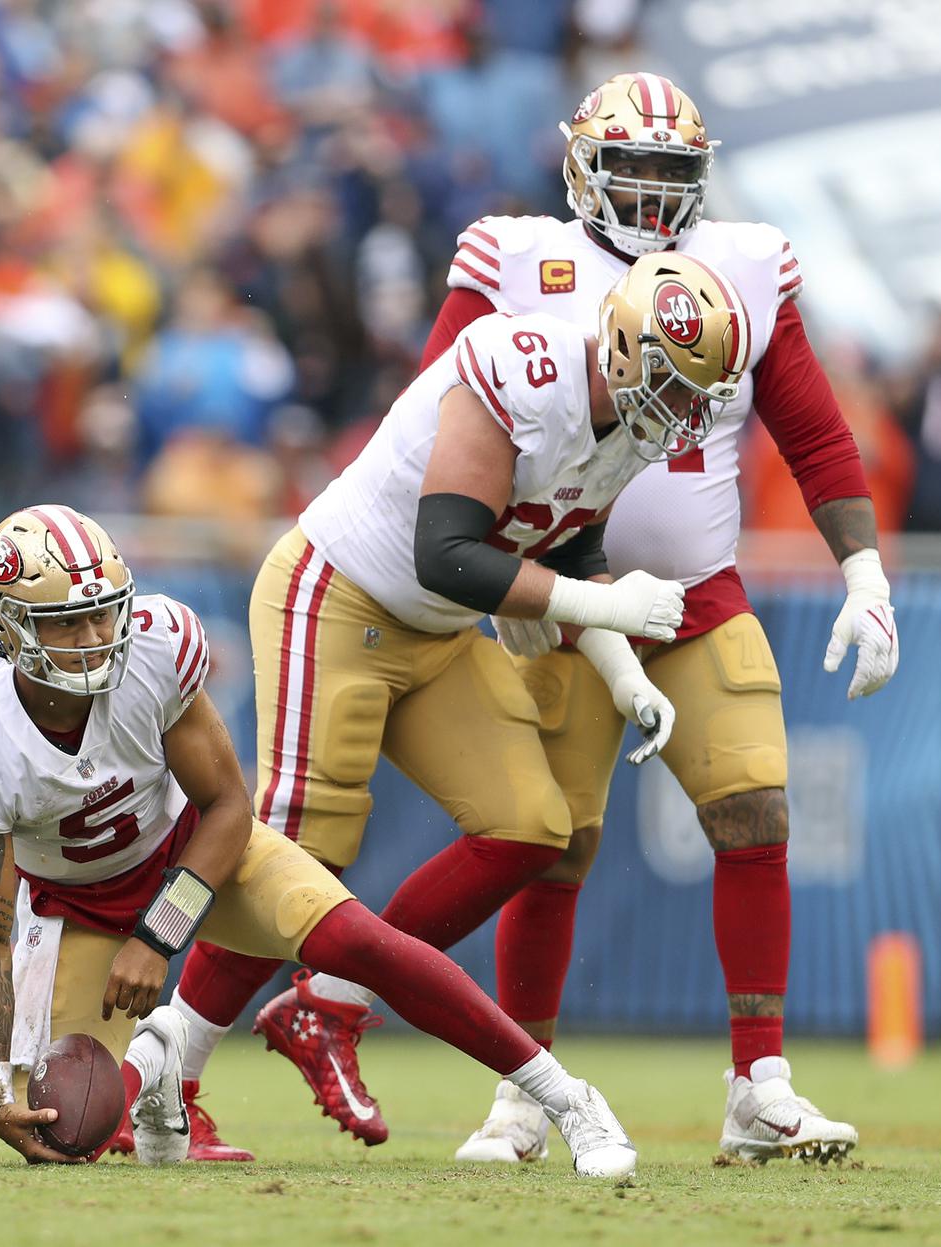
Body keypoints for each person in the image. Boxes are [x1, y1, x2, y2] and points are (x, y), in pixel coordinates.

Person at [169, 247, 745, 1159]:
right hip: (343, 594)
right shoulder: (524, 369)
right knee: (294, 851)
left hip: (434, 633)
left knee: (530, 824)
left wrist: (623, 670)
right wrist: (602, 608)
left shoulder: (630, 424)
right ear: (626, 350)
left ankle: (329, 1004)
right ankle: (166, 1080)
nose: (685, 412)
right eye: (676, 383)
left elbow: (570, 544)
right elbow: (447, 550)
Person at [414, 71, 877, 1166]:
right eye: (636, 170)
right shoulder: (515, 253)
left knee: (755, 809)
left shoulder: (751, 262)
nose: (658, 194)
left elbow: (813, 431)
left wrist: (864, 569)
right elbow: (430, 420)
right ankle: (523, 1090)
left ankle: (758, 1084)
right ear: (582, 167)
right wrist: (483, 571)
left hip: (699, 593)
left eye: (677, 173)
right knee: (551, 845)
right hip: (564, 599)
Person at [0, 505, 640, 1178]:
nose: (96, 639)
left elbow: (228, 803)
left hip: (194, 855)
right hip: (73, 907)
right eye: (68, 625)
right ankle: (158, 1062)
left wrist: (159, 934)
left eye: (104, 615)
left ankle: (568, 1097)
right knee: (71, 1130)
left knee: (358, 942)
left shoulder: (157, 647)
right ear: (9, 629)